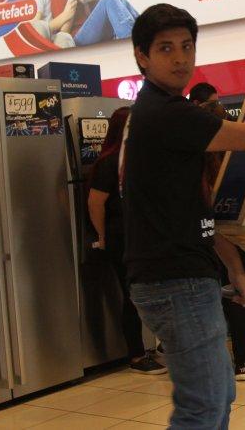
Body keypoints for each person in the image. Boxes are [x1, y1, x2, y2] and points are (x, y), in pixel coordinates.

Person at [121, 3, 245, 429]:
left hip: (182, 276)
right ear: (142, 56)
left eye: (187, 46)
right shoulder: (165, 113)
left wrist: (234, 269)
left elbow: (198, 208)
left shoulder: (160, 111)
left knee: (218, 396)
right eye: (166, 48)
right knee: (203, 407)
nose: (180, 58)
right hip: (175, 282)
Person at [85, 106, 166, 375]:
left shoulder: (135, 159)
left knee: (145, 293)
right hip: (122, 238)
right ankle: (136, 354)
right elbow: (95, 202)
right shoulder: (109, 163)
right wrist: (102, 236)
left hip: (140, 236)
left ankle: (150, 347)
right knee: (133, 296)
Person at [195, 98, 245, 381]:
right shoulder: (234, 164)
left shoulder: (195, 164)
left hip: (204, 243)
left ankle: (212, 363)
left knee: (211, 300)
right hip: (234, 239)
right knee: (238, 296)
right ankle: (242, 362)